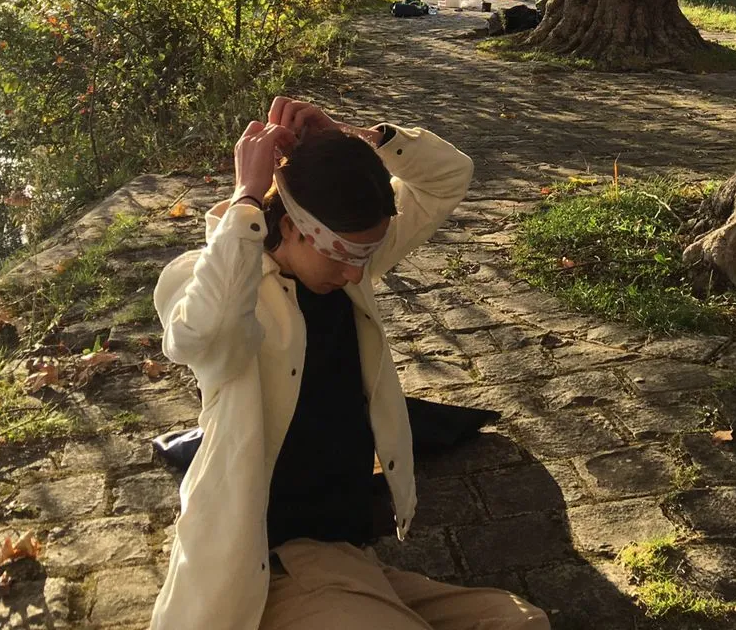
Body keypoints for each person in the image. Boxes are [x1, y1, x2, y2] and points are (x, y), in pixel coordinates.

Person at [150, 96, 547, 630]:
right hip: (271, 564)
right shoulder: (210, 284)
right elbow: (207, 335)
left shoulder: (337, 271)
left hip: (347, 556)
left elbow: (450, 178)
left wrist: (361, 138)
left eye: (367, 256)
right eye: (344, 255)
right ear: (289, 227)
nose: (358, 274)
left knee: (520, 622)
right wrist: (245, 197)